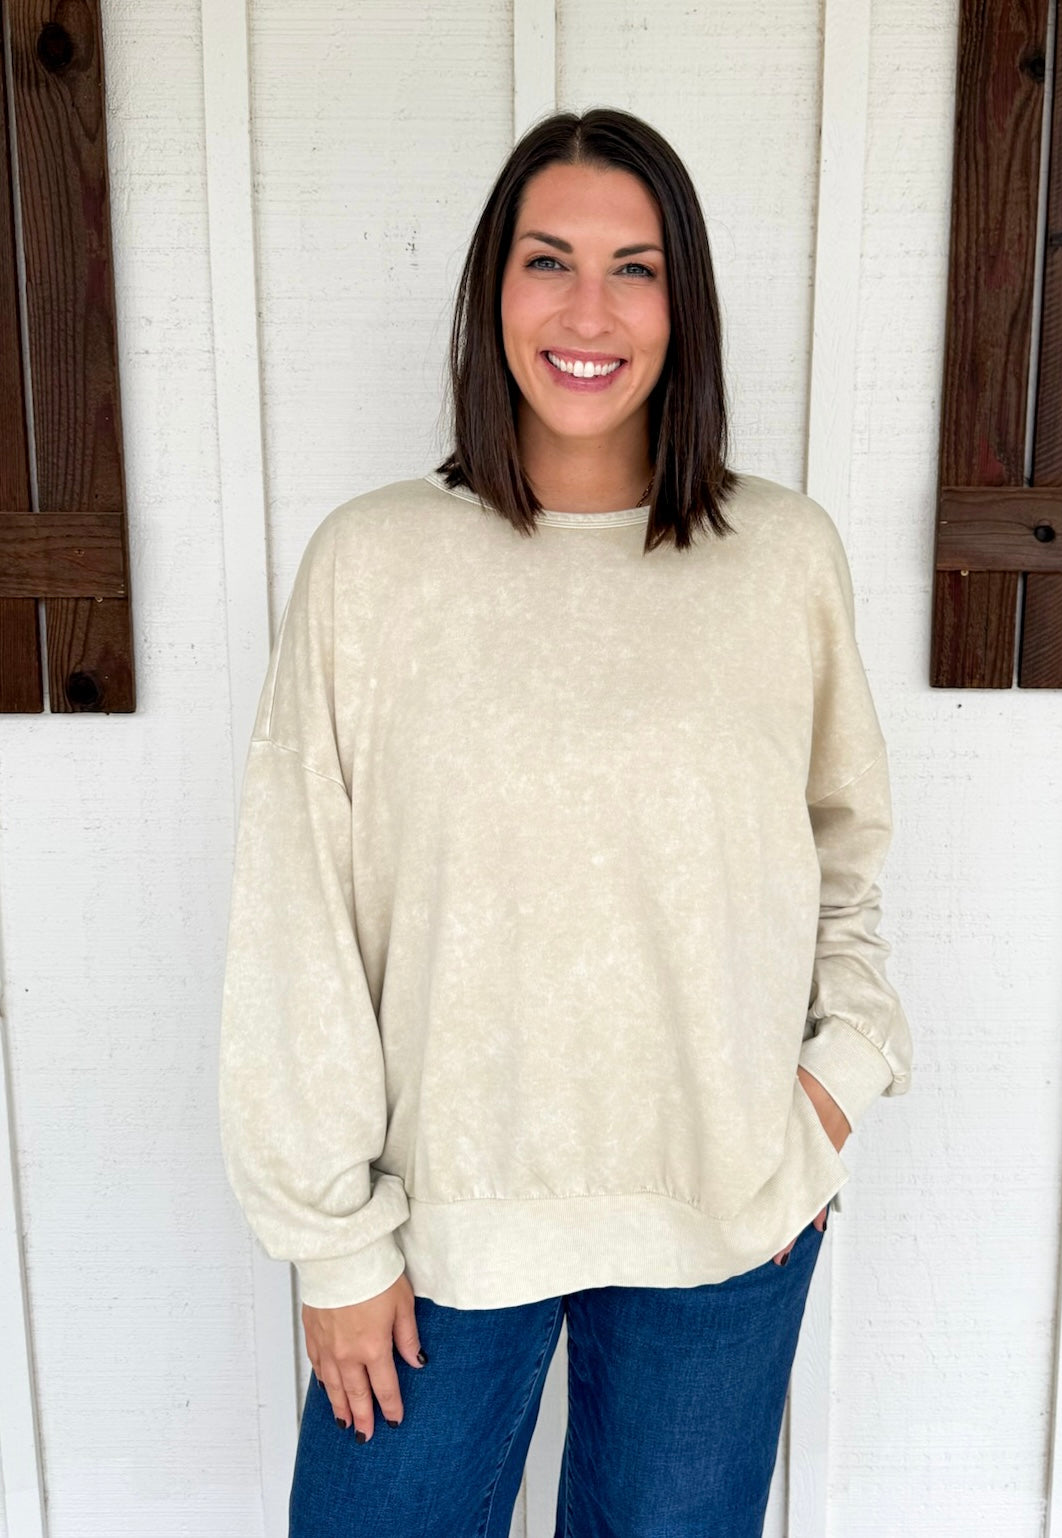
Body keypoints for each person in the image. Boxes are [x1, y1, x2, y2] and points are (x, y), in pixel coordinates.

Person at [218, 106, 912, 1537]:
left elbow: (843, 846)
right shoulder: (372, 565)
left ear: (682, 303)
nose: (587, 313)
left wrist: (833, 1081)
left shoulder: (780, 560)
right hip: (435, 1226)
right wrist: (333, 1242)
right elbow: (297, 913)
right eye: (548, 261)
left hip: (724, 1217)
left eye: (633, 268)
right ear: (493, 290)